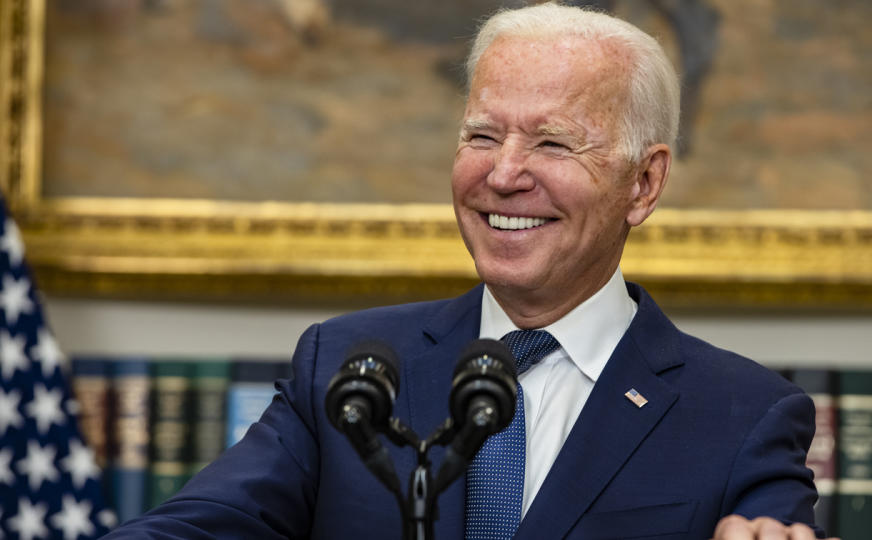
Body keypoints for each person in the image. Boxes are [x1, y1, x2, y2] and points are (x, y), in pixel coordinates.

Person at [105, 3, 834, 539]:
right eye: (481, 135)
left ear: (643, 184)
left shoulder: (742, 416)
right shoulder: (347, 368)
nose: (503, 174)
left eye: (552, 143)